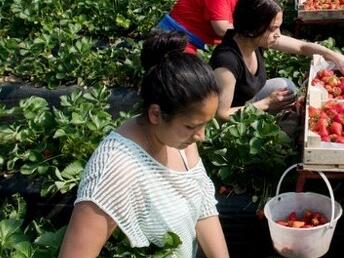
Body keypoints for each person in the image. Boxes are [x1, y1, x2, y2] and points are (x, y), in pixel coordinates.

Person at [58, 31, 229, 258]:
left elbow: (204, 207)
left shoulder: (180, 140)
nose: (202, 136)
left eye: (205, 124)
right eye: (192, 126)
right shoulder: (116, 170)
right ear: (156, 114)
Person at [209, 0, 344, 121]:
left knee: (286, 87)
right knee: (289, 124)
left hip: (249, 100)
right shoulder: (226, 62)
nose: (278, 35)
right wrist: (266, 103)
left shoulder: (252, 39)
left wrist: (336, 57)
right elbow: (220, 115)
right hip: (232, 116)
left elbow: (301, 46)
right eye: (273, 28)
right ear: (253, 28)